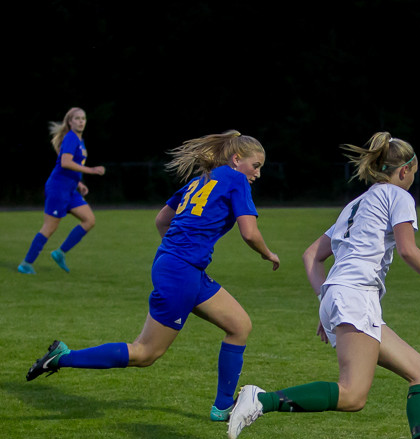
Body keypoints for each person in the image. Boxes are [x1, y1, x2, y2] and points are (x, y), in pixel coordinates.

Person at [226, 131, 420, 439]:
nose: (413, 179)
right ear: (404, 171)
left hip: (343, 296)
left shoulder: (358, 203)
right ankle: (260, 400)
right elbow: (408, 249)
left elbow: (311, 255)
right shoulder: (398, 196)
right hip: (354, 296)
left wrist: (324, 301)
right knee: (353, 394)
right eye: (414, 172)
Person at [26, 130, 281, 422]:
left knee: (239, 325)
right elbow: (249, 233)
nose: (258, 173)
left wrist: (175, 253)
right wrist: (267, 253)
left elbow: (162, 219)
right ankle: (62, 357)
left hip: (181, 267)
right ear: (237, 160)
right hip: (181, 270)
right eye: (256, 165)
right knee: (145, 353)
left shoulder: (201, 180)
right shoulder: (236, 179)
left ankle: (222, 407)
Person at [18, 107, 106, 274]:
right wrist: (91, 170)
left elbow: (73, 165)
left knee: (89, 220)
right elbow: (65, 162)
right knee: (49, 228)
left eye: (83, 118)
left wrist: (79, 183)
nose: (81, 121)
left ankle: (59, 252)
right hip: (58, 188)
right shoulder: (71, 138)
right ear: (70, 122)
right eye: (77, 118)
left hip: (71, 189)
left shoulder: (80, 140)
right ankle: (26, 264)